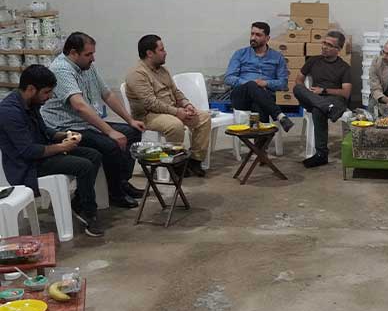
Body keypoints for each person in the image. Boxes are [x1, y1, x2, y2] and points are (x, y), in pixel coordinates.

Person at [41, 32, 144, 209]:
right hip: (66, 127)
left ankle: (122, 181)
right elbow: (79, 106)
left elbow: (107, 94)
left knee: (132, 132)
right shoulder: (61, 69)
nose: (93, 58)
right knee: (111, 144)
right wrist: (110, 132)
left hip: (86, 123)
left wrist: (130, 120)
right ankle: (115, 193)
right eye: (88, 54)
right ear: (73, 53)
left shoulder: (87, 66)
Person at [0, 65, 103, 236]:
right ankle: (89, 213)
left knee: (94, 155)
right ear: (31, 89)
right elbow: (28, 151)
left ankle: (79, 202)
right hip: (27, 167)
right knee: (84, 165)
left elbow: (44, 130)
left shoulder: (30, 103)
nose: (49, 97)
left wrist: (65, 134)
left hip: (41, 155)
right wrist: (62, 147)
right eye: (46, 92)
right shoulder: (9, 112)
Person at [125, 35, 211, 177]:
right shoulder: (137, 74)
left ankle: (195, 160)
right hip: (148, 115)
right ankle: (176, 163)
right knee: (175, 125)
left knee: (204, 118)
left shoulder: (163, 70)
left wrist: (187, 104)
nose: (165, 53)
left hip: (171, 110)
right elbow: (150, 102)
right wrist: (177, 112)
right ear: (149, 53)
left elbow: (176, 92)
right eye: (161, 50)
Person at [293, 30, 351, 168]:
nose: (324, 46)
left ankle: (321, 155)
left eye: (329, 45)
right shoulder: (313, 60)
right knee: (297, 88)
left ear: (338, 49)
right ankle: (326, 107)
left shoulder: (344, 67)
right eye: (324, 43)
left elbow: (346, 93)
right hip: (314, 97)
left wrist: (324, 90)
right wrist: (310, 94)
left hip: (335, 100)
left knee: (318, 110)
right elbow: (299, 80)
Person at [225, 22, 294, 132]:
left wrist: (265, 83)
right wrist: (250, 83)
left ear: (267, 38)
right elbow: (229, 78)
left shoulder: (277, 57)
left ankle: (259, 142)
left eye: (258, 35)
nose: (253, 37)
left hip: (265, 97)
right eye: (252, 34)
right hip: (241, 96)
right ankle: (279, 115)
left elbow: (283, 83)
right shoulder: (240, 54)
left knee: (259, 105)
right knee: (252, 85)